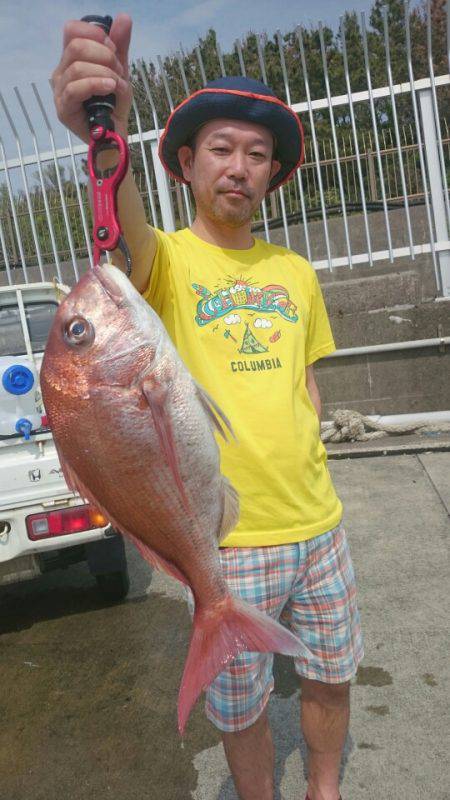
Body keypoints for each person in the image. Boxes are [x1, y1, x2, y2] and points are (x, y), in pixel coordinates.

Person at [52, 14, 364, 800]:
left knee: (333, 674)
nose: (241, 167)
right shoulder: (164, 262)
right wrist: (108, 132)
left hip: (318, 522)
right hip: (229, 542)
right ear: (186, 164)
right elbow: (117, 213)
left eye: (258, 155)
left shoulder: (296, 270)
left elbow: (304, 381)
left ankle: (324, 790)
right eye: (222, 150)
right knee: (242, 704)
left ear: (272, 174)